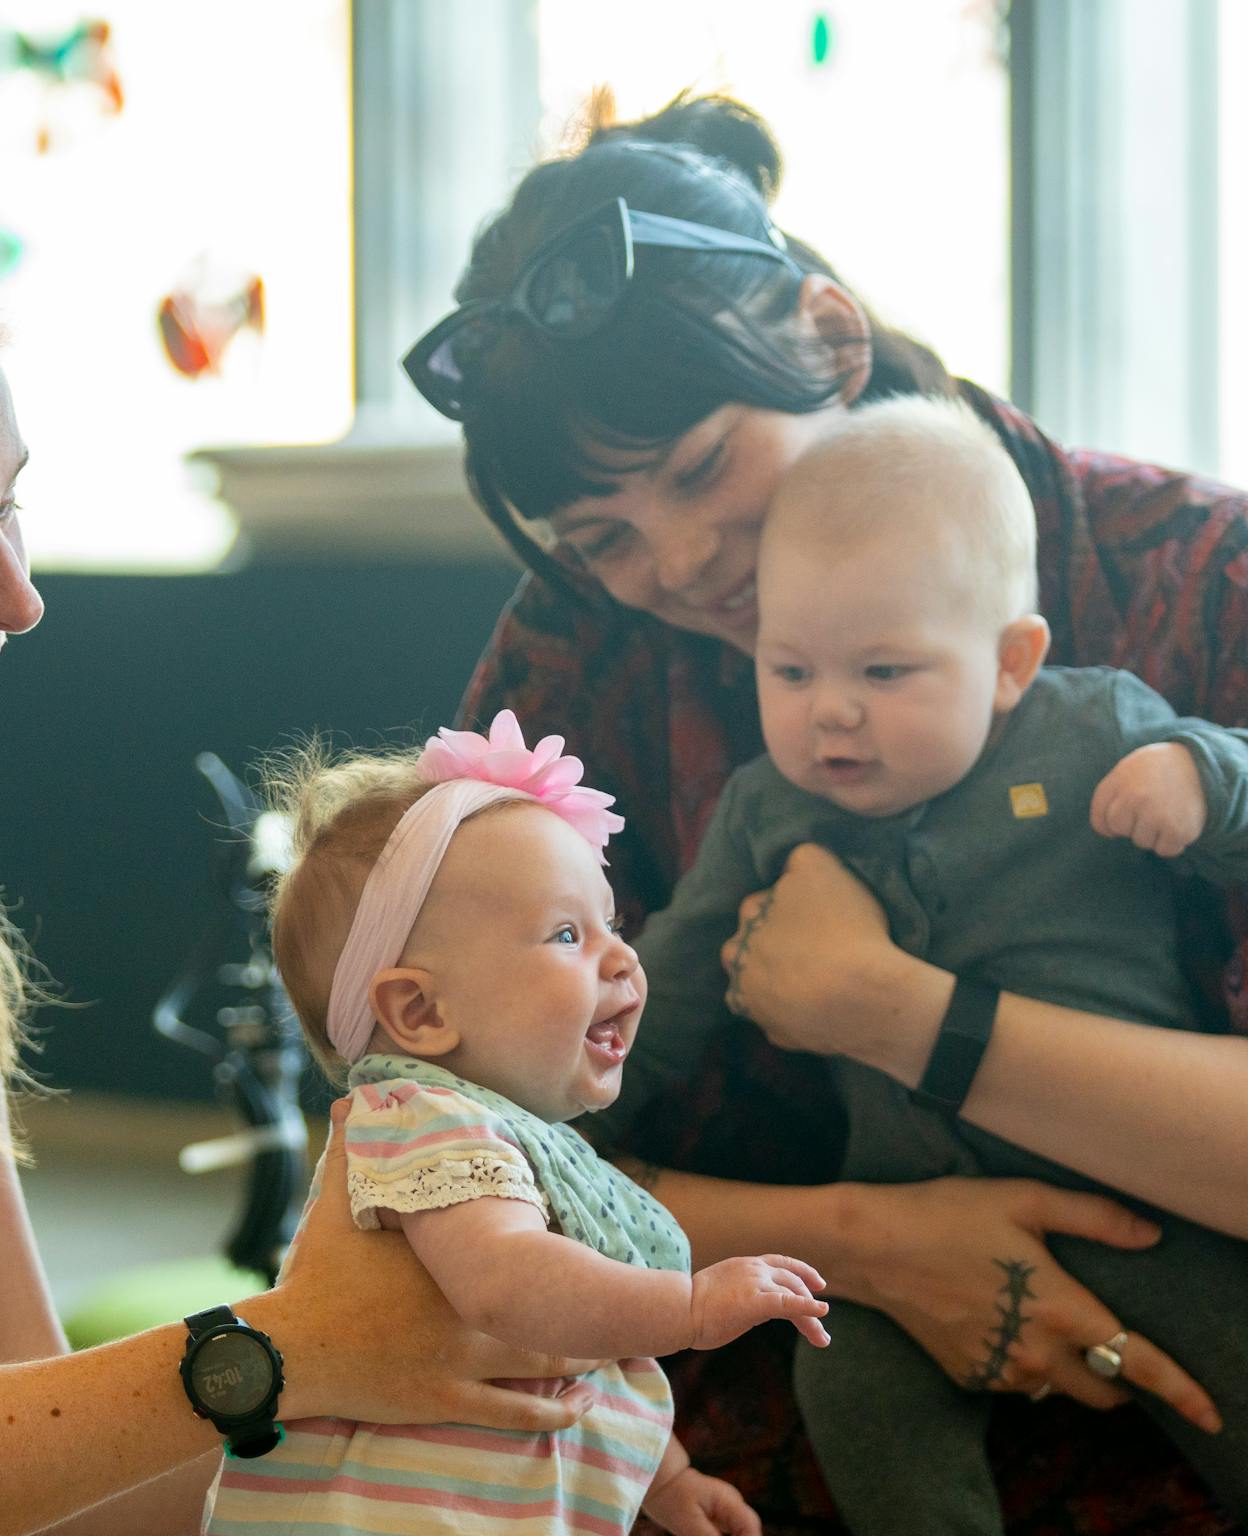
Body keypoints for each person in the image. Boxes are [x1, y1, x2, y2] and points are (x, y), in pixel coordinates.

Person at [400, 94, 1248, 1535]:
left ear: (831, 341)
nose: (679, 563)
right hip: (760, 1396)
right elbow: (452, 1139)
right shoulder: (578, 654)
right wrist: (868, 1242)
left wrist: (890, 1010)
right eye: (601, 537)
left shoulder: (1193, 580)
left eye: (704, 467)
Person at [0, 202, 595, 1536]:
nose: (16, 595)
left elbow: (16, 1443)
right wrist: (289, 1347)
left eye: (8, 509)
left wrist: (447, 1432)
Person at [626, 392, 1248, 1532]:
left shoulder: (1093, 731)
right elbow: (671, 983)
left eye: (884, 673)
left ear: (1011, 663)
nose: (832, 720)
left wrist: (1207, 784)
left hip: (1147, 1206)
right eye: (792, 671)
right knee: (851, 1392)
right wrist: (575, 1080)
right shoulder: (767, 811)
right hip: (908, 1233)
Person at [208, 709, 831, 1536]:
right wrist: (687, 1307)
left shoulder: (516, 1141)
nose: (622, 958)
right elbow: (509, 1283)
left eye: (615, 925)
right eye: (567, 933)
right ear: (420, 1011)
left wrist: (667, 1478)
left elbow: (586, 1353)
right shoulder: (421, 1120)